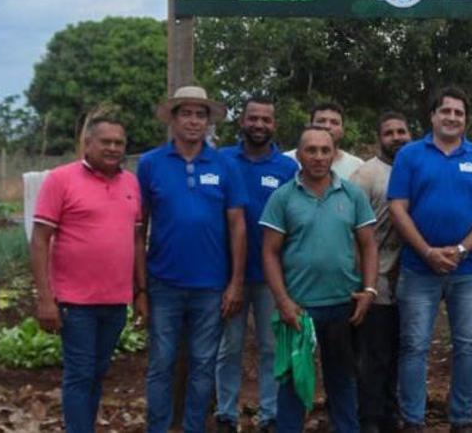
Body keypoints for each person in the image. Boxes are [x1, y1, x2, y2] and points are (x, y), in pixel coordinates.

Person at [387, 86, 472, 432]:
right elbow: (397, 207)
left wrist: (462, 249)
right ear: (433, 116)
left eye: (459, 113)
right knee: (414, 346)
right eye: (446, 111)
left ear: (466, 120)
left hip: (469, 269)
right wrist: (427, 251)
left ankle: (462, 419)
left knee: (467, 347)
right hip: (419, 267)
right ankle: (413, 420)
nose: (452, 117)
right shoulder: (409, 155)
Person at [138, 86, 247, 433]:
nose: (193, 121)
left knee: (202, 365)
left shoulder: (224, 165)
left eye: (200, 115)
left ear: (208, 122)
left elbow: (238, 226)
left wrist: (235, 282)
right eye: (186, 113)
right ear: (173, 118)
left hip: (211, 286)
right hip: (163, 283)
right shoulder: (150, 163)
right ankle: (158, 427)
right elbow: (138, 228)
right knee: (161, 363)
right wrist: (139, 288)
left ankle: (193, 427)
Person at [30, 116, 146, 433]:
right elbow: (39, 239)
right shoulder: (60, 179)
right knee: (80, 374)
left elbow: (136, 239)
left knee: (98, 372)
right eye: (105, 141)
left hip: (115, 301)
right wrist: (45, 298)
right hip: (74, 301)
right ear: (88, 144)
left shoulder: (130, 183)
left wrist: (140, 291)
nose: (112, 148)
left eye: (118, 143)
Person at [261, 125, 378, 433]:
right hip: (299, 310)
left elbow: (368, 245)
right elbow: (270, 253)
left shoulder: (352, 195)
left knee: (342, 381)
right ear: (299, 155)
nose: (318, 157)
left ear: (333, 155)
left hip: (343, 306)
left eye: (325, 150)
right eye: (311, 150)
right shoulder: (282, 197)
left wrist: (368, 290)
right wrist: (283, 302)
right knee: (294, 383)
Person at [214, 97, 299, 433]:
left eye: (266, 119)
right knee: (229, 347)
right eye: (253, 118)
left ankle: (269, 415)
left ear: (274, 125)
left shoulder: (287, 169)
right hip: (227, 273)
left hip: (271, 277)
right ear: (242, 121)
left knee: (270, 347)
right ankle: (226, 413)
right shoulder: (222, 160)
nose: (259, 125)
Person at [350, 111, 414, 433]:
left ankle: (392, 412)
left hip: (413, 276)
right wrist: (364, 281)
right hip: (377, 278)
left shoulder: (417, 169)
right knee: (374, 353)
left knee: (401, 351)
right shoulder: (366, 175)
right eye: (389, 132)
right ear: (379, 138)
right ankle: (370, 418)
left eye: (402, 131)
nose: (397, 137)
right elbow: (351, 231)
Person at [285, 101, 365, 179]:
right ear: (309, 125)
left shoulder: (358, 167)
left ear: (342, 130)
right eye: (321, 121)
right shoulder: (286, 160)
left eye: (334, 122)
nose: (327, 126)